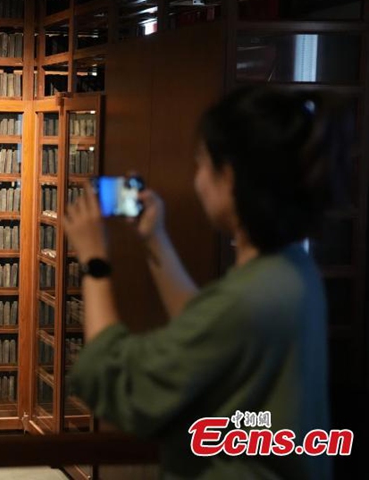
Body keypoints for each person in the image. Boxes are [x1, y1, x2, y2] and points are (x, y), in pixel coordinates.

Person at [64, 86, 350, 480]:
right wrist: (155, 236)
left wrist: (94, 262)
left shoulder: (251, 297)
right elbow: (204, 327)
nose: (196, 180)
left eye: (201, 164)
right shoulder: (292, 271)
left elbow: (118, 383)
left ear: (229, 175)